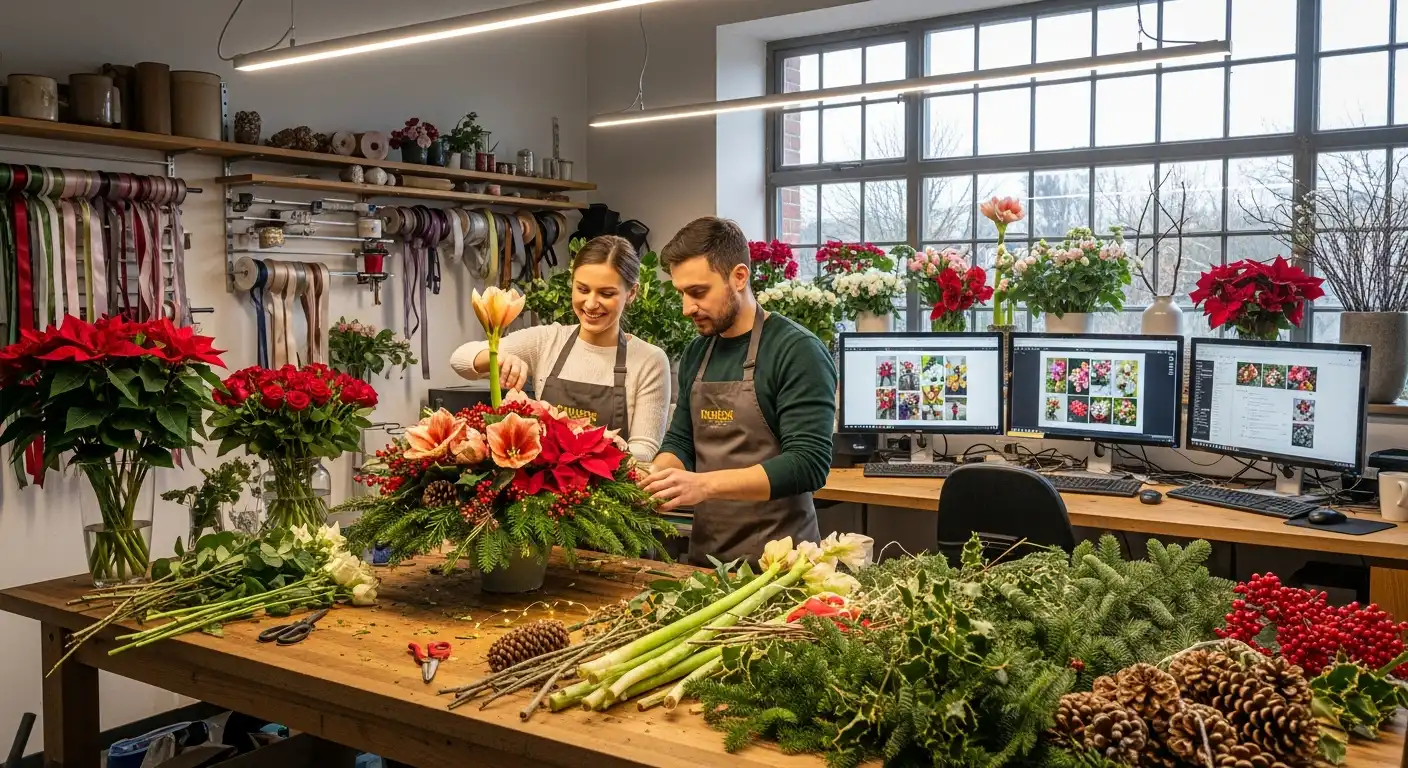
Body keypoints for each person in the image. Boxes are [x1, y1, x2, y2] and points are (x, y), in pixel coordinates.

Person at [641, 217, 837, 565]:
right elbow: (683, 441)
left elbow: (809, 464)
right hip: (707, 561)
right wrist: (659, 476)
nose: (688, 308)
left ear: (739, 276)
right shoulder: (698, 353)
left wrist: (704, 485)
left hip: (782, 568)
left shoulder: (796, 350)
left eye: (699, 292)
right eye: (682, 294)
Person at [450, 235, 670, 463]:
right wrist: (499, 358)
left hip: (609, 489)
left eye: (606, 294)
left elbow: (644, 449)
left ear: (631, 293)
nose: (591, 303)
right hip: (545, 490)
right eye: (583, 289)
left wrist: (597, 450)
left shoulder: (649, 360)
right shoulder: (548, 341)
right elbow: (460, 360)